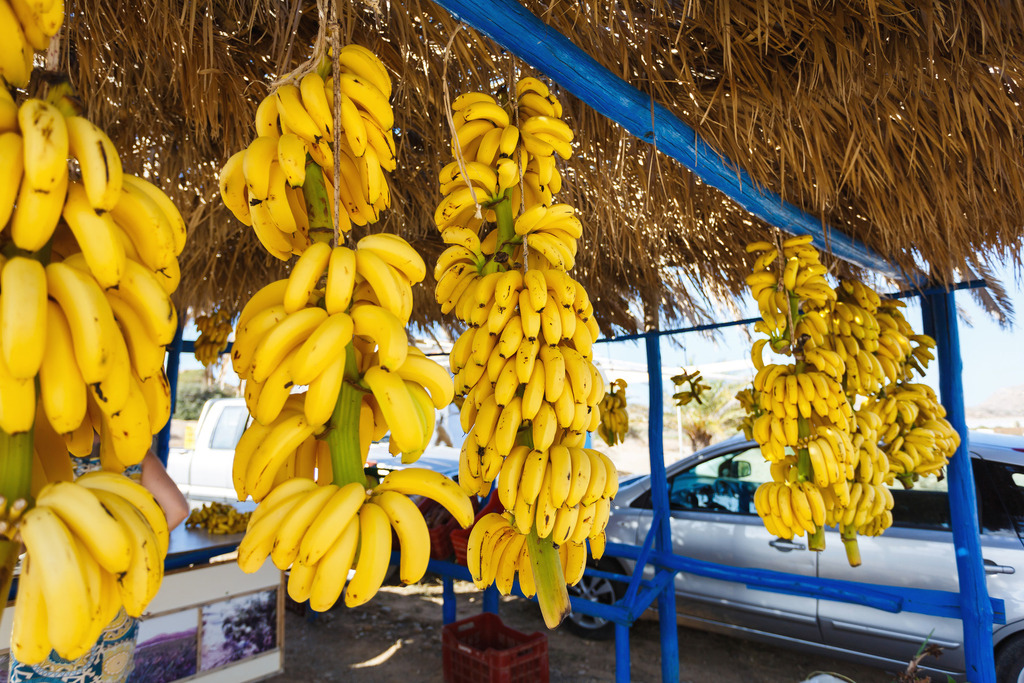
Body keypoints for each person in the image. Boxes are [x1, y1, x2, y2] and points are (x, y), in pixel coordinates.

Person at [8, 442, 189, 683]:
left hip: (56, 588)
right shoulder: (133, 453)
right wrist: (131, 546)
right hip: (116, 595)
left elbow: (15, 544)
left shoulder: (41, 456)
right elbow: (177, 510)